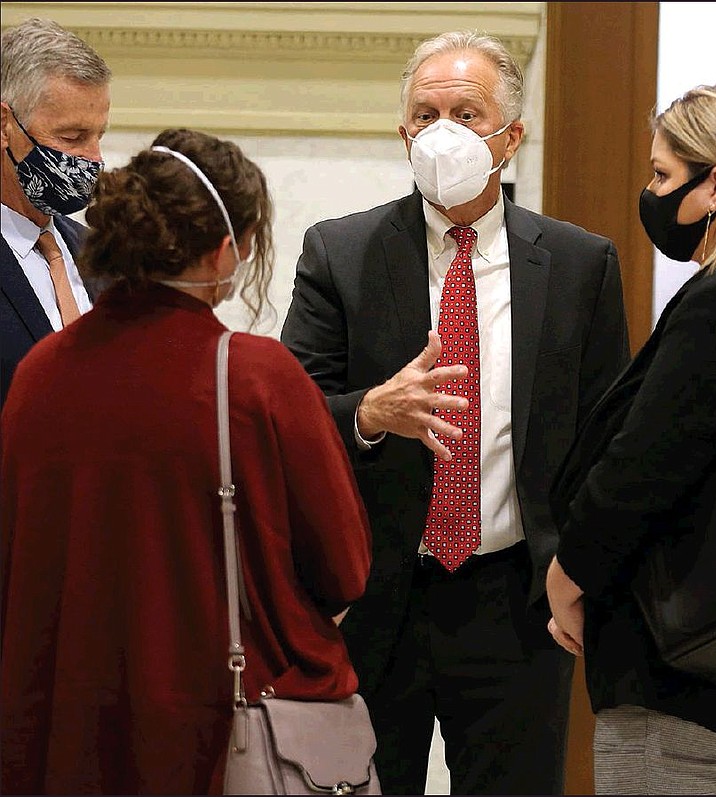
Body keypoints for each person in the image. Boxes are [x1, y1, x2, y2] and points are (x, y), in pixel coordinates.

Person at [280, 29, 630, 795]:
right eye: (425, 113)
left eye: (465, 113)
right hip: (377, 599)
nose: (443, 132)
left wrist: (583, 573)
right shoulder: (341, 252)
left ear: (511, 134)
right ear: (403, 133)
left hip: (516, 600)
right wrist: (369, 412)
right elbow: (289, 415)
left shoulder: (580, 264)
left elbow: (610, 436)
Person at [0, 127, 373, 795]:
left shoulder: (38, 376)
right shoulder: (257, 378)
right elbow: (344, 566)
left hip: (66, 742)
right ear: (226, 248)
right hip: (219, 741)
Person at [546, 80, 716, 795]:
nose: (650, 192)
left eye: (661, 174)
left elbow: (639, 470)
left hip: (684, 686)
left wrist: (568, 578)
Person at [1, 16, 112, 409]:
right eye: (72, 137)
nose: (94, 158)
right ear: (4, 126)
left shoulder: (102, 256)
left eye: (99, 135)